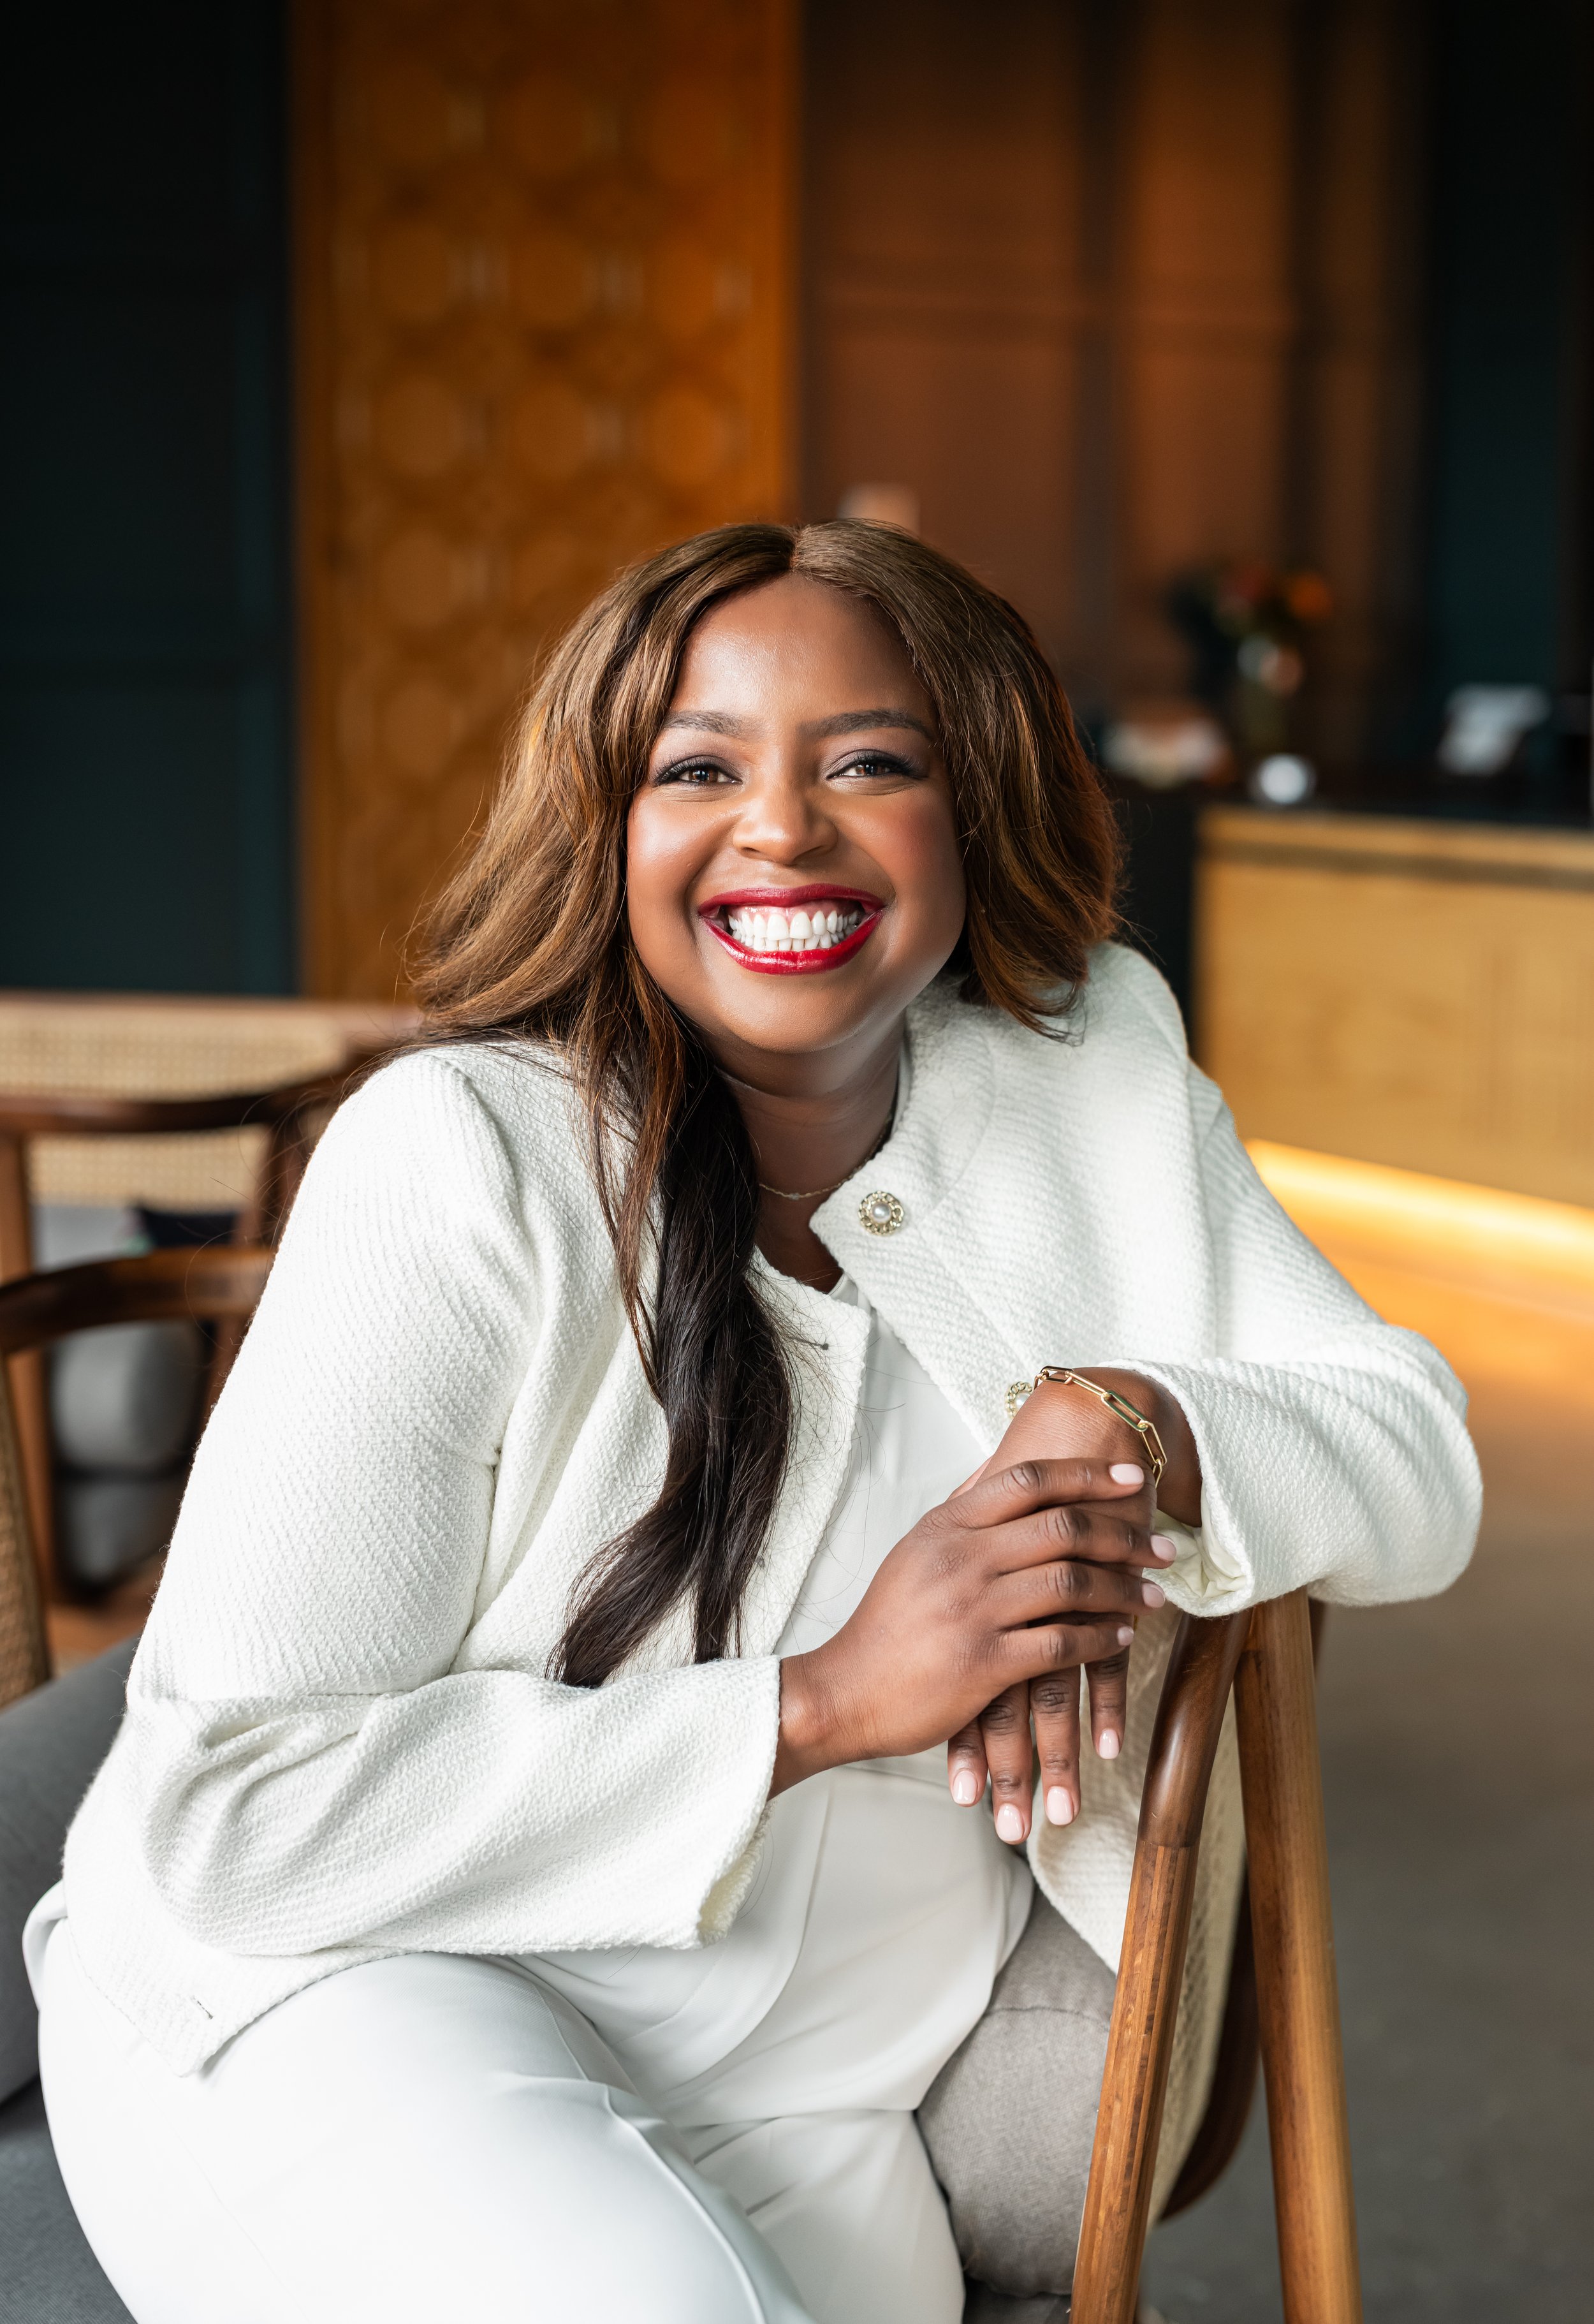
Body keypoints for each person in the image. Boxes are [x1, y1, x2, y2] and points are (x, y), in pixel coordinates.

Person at [27, 522, 1480, 2324]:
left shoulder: (1089, 1075)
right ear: (605, 829)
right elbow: (236, 1824)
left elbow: (1418, 1456)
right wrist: (833, 1698)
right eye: (697, 768)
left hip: (812, 2095)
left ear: (978, 800)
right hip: (359, 1998)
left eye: (869, 761)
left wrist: (1125, 1423)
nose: (781, 826)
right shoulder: (464, 1152)